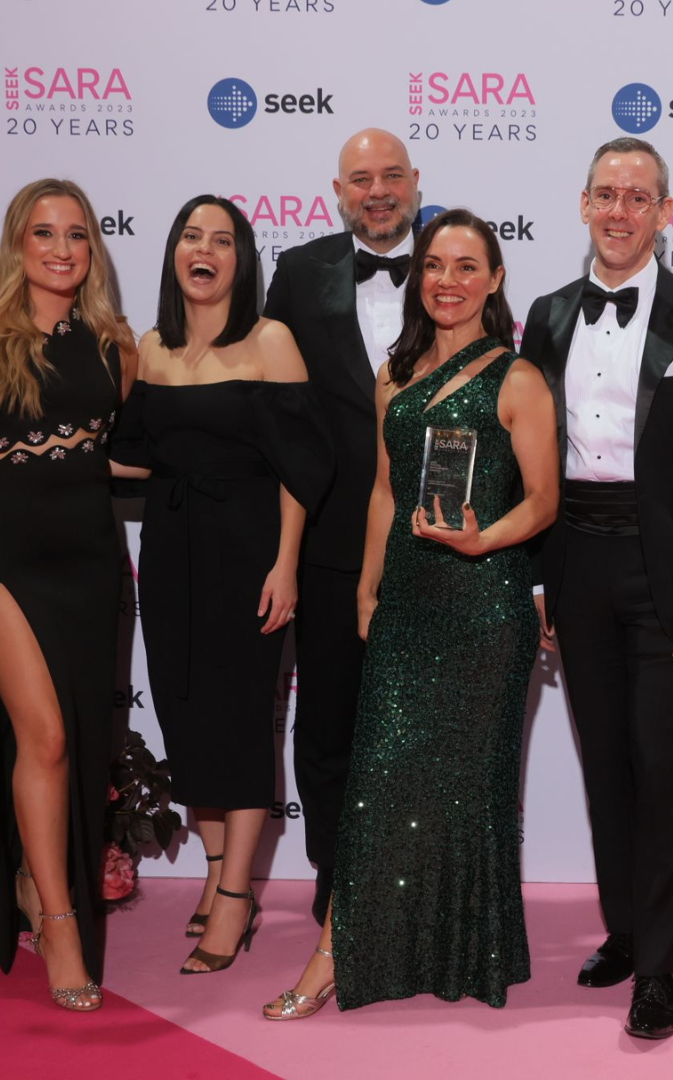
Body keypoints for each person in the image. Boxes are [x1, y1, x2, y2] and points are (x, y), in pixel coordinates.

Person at [261, 209, 559, 1019]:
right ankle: (340, 950)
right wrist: (366, 586)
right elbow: (383, 492)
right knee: (379, 782)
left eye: (468, 266)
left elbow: (544, 501)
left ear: (496, 279)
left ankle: (466, 949)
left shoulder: (519, 378)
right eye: (436, 265)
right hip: (406, 600)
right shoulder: (392, 375)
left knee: (472, 787)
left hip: (486, 604)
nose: (449, 281)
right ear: (419, 277)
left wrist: (481, 540)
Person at [521, 137, 673, 1040]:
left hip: (672, 579)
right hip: (574, 559)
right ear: (583, 204)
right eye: (605, 195)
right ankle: (625, 928)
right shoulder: (545, 316)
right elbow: (528, 461)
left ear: (667, 213)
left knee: (664, 772)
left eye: (638, 198)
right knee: (606, 764)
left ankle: (655, 969)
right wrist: (538, 582)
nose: (619, 212)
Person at [113, 195, 331, 976]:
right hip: (172, 550)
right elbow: (132, 454)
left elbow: (305, 467)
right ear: (174, 253)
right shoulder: (153, 344)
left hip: (249, 552)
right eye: (191, 237)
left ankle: (235, 898)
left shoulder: (269, 341)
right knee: (183, 710)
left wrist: (285, 565)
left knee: (240, 719)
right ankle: (214, 875)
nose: (204, 250)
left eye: (222, 240)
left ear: (242, 259)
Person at [0, 178, 140, 1011]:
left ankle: (33, 880)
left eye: (77, 235)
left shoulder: (114, 343)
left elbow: (116, 455)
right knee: (46, 737)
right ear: (17, 242)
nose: (62, 250)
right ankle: (56, 918)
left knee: (77, 742)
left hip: (89, 558)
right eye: (44, 233)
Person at [263, 129, 423, 926]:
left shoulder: (456, 264)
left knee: (423, 728)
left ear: (416, 183)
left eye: (391, 176)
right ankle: (335, 880)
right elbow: (279, 416)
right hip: (328, 545)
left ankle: (415, 885)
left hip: (438, 542)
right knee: (327, 723)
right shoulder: (296, 273)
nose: (378, 191)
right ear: (337, 191)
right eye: (362, 179)